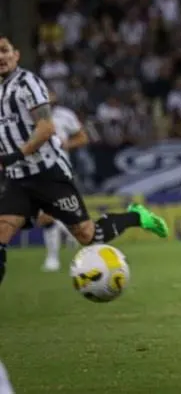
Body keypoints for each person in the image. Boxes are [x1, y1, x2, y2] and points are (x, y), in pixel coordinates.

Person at [0, 37, 169, 288]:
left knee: (88, 236)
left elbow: (46, 127)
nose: (1, 57)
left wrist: (17, 154)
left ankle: (135, 216)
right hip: (18, 179)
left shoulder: (28, 83)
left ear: (17, 54)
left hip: (49, 175)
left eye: (4, 51)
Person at [39, 88, 89, 271]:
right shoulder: (26, 117)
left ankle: (52, 259)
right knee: (44, 215)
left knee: (46, 215)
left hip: (60, 168)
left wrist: (66, 144)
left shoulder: (65, 115)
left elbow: (83, 137)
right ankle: (68, 229)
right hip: (34, 169)